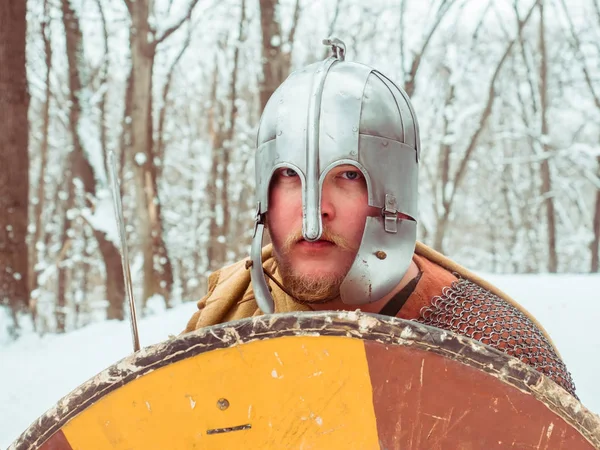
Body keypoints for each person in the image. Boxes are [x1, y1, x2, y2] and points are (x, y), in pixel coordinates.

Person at [183, 38, 576, 397]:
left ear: (395, 191)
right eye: (289, 175)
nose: (315, 208)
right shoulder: (225, 323)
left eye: (349, 176)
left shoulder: (490, 346)